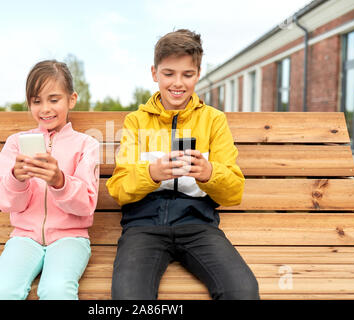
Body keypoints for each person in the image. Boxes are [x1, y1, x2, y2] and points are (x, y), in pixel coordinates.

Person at [106, 29, 259, 300]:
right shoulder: (136, 122)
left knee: (243, 291)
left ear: (198, 74)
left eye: (187, 74)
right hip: (143, 226)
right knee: (129, 297)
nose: (178, 83)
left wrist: (210, 173)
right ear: (154, 73)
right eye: (169, 73)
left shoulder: (214, 121)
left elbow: (234, 191)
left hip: (198, 224)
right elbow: (118, 188)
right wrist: (150, 173)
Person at [0, 60, 100, 300]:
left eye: (54, 99)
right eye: (37, 101)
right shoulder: (16, 143)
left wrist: (60, 181)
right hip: (24, 237)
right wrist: (17, 179)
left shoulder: (86, 145)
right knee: (0, 292)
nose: (45, 108)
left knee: (56, 291)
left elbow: (86, 205)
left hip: (71, 238)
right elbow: (6, 203)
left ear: (72, 99)